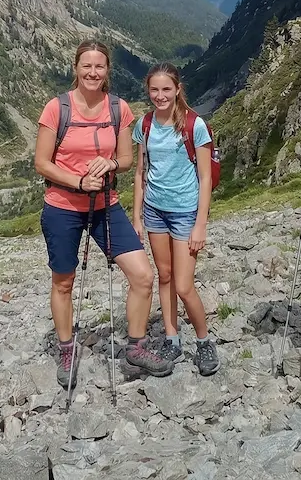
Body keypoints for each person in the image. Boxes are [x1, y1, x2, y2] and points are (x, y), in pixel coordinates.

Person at [34, 40, 175, 388]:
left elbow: (126, 160)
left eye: (99, 67)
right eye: (87, 66)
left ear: (107, 70)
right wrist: (79, 181)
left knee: (142, 276)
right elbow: (41, 163)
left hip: (105, 205)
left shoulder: (118, 109)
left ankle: (136, 346)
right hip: (63, 207)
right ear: (76, 68)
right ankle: (67, 348)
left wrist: (111, 163)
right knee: (63, 282)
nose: (93, 73)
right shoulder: (57, 108)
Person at [131, 63, 219, 376]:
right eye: (154, 90)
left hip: (184, 213)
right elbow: (141, 172)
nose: (160, 95)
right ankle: (171, 337)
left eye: (166, 89)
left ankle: (204, 340)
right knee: (164, 276)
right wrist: (137, 216)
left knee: (183, 285)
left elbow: (205, 178)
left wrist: (200, 224)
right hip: (155, 210)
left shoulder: (195, 125)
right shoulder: (144, 124)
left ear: (177, 89)